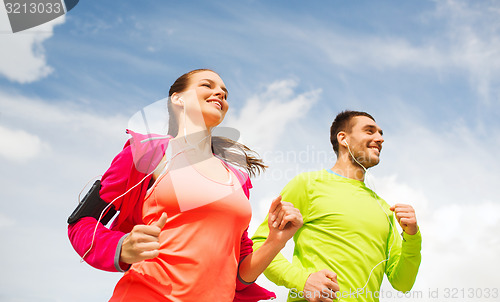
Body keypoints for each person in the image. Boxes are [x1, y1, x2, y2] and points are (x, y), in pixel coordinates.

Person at [67, 69, 303, 302]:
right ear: (178, 99)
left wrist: (275, 241)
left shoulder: (238, 178)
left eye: (225, 92)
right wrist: (121, 247)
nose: (220, 93)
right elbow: (81, 222)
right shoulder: (149, 153)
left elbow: (238, 276)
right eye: (207, 85)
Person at [252, 110, 422, 302]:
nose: (379, 138)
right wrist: (303, 281)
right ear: (343, 138)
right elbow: (258, 245)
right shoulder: (308, 184)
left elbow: (403, 283)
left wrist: (412, 236)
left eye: (381, 133)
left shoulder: (385, 209)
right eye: (370, 131)